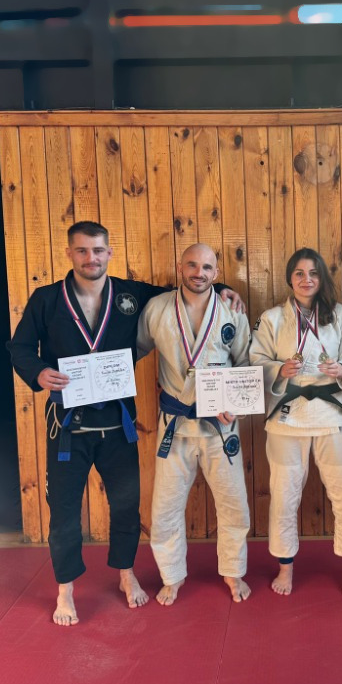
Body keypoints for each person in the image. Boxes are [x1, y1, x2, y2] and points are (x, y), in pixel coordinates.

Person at [9, 222, 242, 626]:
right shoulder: (46, 299)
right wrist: (39, 372)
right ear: (69, 253)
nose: (91, 258)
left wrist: (222, 290)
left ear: (109, 253)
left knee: (125, 506)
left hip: (118, 423)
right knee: (63, 511)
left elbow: (185, 290)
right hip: (68, 425)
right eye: (82, 251)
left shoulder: (130, 295)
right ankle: (65, 591)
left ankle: (126, 573)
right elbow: (20, 347)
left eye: (98, 250)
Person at [136, 243, 253, 605]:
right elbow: (132, 350)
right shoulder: (157, 309)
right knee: (165, 508)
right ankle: (172, 576)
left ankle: (233, 571)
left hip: (221, 427)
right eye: (191, 265)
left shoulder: (232, 310)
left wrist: (238, 406)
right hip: (176, 426)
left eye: (206, 267)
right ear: (180, 267)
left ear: (216, 274)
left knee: (234, 504)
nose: (198, 273)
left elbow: (246, 364)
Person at [250, 248, 342, 596]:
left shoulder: (339, 315)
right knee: (284, 495)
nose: (307, 280)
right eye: (299, 273)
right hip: (287, 417)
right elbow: (255, 358)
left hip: (331, 413)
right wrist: (278, 369)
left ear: (322, 278)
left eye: (313, 273)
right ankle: (285, 568)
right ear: (290, 278)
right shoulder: (272, 318)